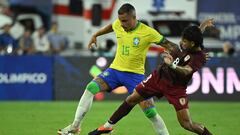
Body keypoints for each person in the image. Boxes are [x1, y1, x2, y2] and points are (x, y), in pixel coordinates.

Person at [58, 3, 169, 135]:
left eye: (125, 21)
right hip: (115, 71)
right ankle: (75, 126)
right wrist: (96, 35)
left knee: (151, 112)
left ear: (134, 17)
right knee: (91, 88)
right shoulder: (119, 24)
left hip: (135, 76)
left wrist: (175, 55)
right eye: (120, 20)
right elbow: (111, 26)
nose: (121, 24)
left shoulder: (148, 32)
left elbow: (168, 44)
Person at [88, 19, 214, 135]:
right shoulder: (189, 41)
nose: (181, 42)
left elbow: (187, 71)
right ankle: (107, 126)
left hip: (176, 88)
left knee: (187, 124)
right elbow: (196, 34)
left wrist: (172, 65)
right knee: (132, 99)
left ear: (193, 44)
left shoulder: (200, 57)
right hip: (158, 78)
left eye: (185, 41)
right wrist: (202, 26)